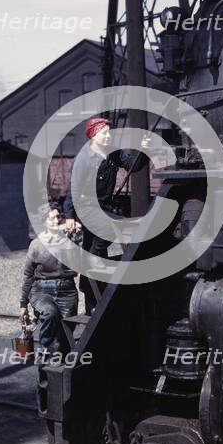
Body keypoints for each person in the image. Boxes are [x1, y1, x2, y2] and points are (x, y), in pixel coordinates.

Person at [63, 117, 151, 312]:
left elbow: (133, 166)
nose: (109, 136)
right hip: (86, 207)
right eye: (105, 133)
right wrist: (69, 215)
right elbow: (73, 189)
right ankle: (94, 266)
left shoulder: (112, 153)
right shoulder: (84, 158)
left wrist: (143, 150)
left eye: (109, 132)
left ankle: (92, 302)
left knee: (96, 247)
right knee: (108, 230)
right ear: (94, 135)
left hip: (104, 207)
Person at [19, 203, 79, 355]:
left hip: (67, 289)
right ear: (44, 222)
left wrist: (76, 237)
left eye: (58, 217)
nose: (56, 221)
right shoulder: (36, 245)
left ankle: (61, 361)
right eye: (52, 218)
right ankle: (44, 350)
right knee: (50, 313)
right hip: (42, 290)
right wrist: (23, 304)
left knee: (66, 330)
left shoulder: (69, 240)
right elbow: (28, 275)